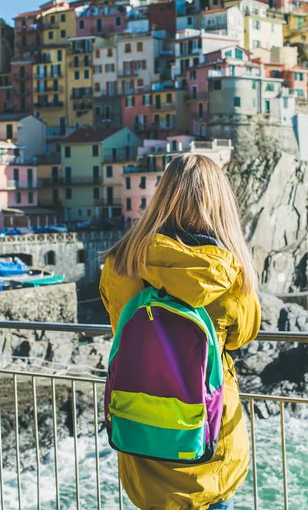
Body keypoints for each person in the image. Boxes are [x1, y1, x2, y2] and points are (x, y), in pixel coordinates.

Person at [100, 153, 261, 510]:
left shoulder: (121, 263)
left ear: (161, 196)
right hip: (207, 437)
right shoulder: (227, 271)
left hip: (141, 432)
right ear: (220, 203)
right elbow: (244, 334)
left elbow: (120, 324)